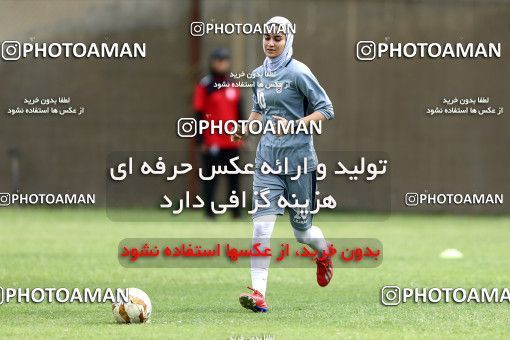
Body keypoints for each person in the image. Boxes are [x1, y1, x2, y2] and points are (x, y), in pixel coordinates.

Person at [232, 16, 335, 313]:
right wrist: (245, 128)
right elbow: (258, 111)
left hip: (300, 163)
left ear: (288, 40)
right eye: (267, 37)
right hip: (267, 161)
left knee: (302, 233)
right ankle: (258, 294)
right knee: (261, 229)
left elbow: (326, 109)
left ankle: (324, 252)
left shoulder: (299, 73)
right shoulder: (258, 74)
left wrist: (294, 125)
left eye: (277, 38)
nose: (271, 43)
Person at [193, 48, 244, 219]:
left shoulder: (233, 85)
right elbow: (198, 114)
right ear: (212, 62)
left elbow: (239, 113)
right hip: (212, 140)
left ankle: (236, 212)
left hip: (232, 141)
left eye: (224, 60)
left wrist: (243, 136)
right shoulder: (205, 85)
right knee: (211, 179)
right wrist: (200, 141)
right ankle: (209, 213)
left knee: (234, 179)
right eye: (218, 60)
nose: (221, 63)